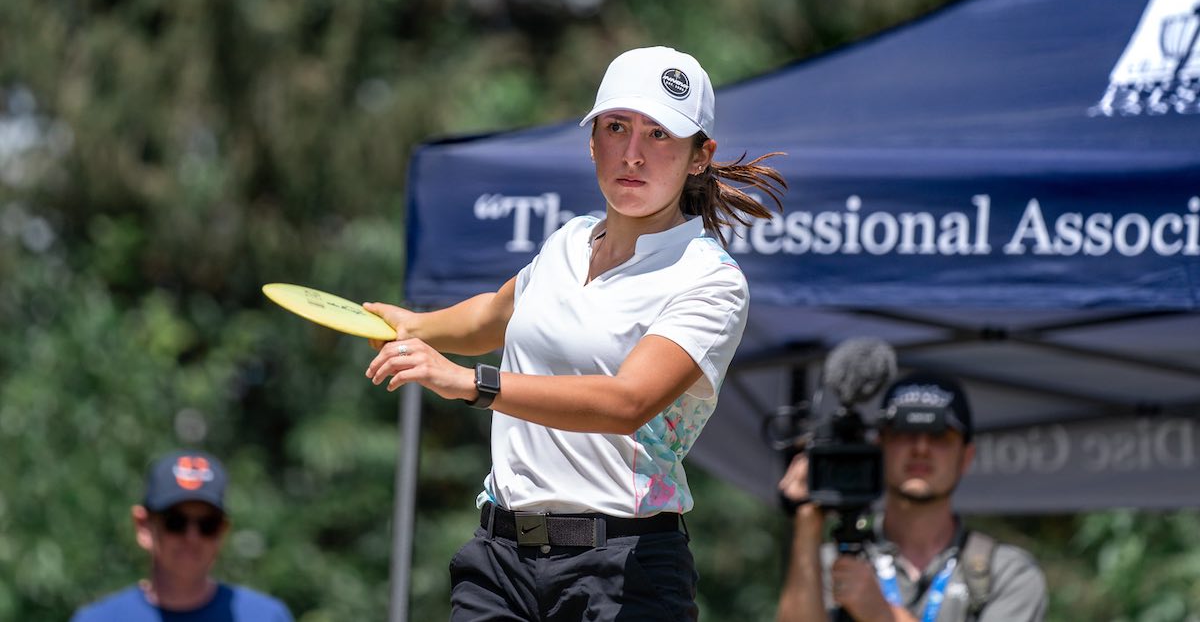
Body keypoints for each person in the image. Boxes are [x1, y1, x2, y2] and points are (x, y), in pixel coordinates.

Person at [363, 46, 786, 620]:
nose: (632, 154)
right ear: (592, 142)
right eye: (617, 128)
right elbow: (494, 314)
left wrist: (471, 384)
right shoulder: (569, 238)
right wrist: (415, 326)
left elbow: (626, 402)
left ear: (699, 156)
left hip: (624, 568)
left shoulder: (710, 279)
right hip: (498, 561)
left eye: (659, 134)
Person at [776, 372, 1047, 622]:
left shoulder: (1008, 573)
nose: (920, 448)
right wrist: (807, 524)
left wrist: (882, 615)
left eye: (939, 435)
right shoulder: (830, 562)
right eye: (904, 432)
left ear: (966, 457)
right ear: (879, 447)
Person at [72, 450, 293, 622]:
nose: (192, 537)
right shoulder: (98, 619)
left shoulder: (265, 617)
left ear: (223, 531)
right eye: (176, 522)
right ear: (144, 526)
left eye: (207, 525)